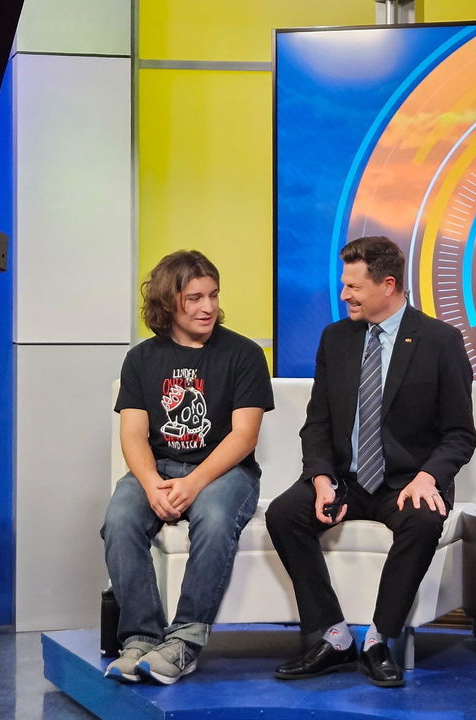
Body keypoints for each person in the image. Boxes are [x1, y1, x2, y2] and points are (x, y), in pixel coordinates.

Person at [266, 235, 476, 687]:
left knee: (422, 522)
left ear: (388, 284)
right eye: (344, 285)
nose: (343, 295)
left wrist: (428, 477)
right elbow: (317, 422)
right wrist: (320, 477)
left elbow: (460, 433)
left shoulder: (440, 340)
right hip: (346, 479)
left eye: (353, 287)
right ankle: (333, 635)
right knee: (285, 514)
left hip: (406, 482)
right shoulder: (336, 338)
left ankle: (380, 639)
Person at [102, 250, 274, 686]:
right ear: (168, 303)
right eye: (195, 297)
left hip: (223, 471)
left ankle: (184, 641)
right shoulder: (141, 360)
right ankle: (140, 639)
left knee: (215, 520)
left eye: (213, 295)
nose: (208, 307)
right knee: (120, 518)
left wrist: (194, 483)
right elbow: (133, 435)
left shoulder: (245, 354)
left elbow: (244, 436)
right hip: (158, 466)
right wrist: (153, 484)